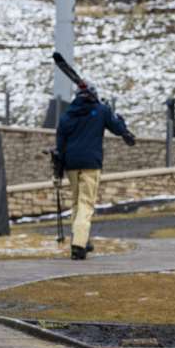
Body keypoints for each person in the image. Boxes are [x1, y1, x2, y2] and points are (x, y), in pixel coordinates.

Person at [55, 83, 135, 260]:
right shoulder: (101, 110)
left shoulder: (67, 114)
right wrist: (121, 121)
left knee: (77, 203)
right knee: (86, 203)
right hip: (91, 163)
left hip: (71, 164)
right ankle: (79, 245)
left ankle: (80, 239)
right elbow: (117, 128)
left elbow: (60, 143)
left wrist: (59, 167)